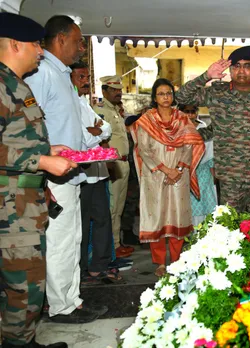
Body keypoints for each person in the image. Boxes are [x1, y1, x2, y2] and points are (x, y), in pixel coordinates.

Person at [0, 12, 77, 348]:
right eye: (34, 44)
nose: (41, 51)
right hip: (9, 212)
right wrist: (42, 160)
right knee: (23, 287)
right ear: (15, 44)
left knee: (26, 287)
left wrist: (48, 148)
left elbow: (15, 137)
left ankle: (23, 340)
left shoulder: (17, 85)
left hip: (25, 209)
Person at [24, 15, 104, 324]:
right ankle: (61, 306)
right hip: (52, 173)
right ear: (60, 39)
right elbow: (30, 123)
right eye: (78, 41)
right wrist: (43, 170)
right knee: (60, 242)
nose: (82, 47)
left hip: (70, 171)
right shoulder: (43, 72)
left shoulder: (62, 75)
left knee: (72, 239)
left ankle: (72, 299)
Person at [176, 46, 250, 212]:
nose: (242, 71)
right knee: (231, 224)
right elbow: (182, 96)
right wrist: (206, 76)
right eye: (237, 66)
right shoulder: (218, 92)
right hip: (230, 175)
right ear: (231, 70)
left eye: (247, 66)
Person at [129, 79, 204, 277]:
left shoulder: (182, 119)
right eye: (161, 94)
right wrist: (164, 169)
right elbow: (143, 149)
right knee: (157, 218)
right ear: (155, 97)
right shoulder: (147, 120)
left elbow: (190, 144)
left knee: (177, 217)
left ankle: (177, 261)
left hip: (180, 174)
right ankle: (160, 263)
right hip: (155, 175)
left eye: (169, 93)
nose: (166, 97)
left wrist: (178, 168)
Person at [69, 62, 123, 284]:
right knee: (81, 224)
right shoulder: (68, 103)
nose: (85, 81)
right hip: (81, 176)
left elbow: (106, 128)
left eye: (87, 77)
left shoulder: (85, 103)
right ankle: (80, 269)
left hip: (99, 173)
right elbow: (82, 138)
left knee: (102, 220)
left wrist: (98, 131)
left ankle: (98, 266)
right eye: (80, 77)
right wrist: (98, 133)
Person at [94, 76, 134, 259]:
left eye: (119, 90)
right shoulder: (101, 110)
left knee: (118, 207)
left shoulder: (116, 111)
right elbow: (99, 138)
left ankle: (116, 244)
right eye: (113, 90)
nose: (118, 93)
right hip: (112, 164)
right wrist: (106, 162)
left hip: (123, 163)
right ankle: (108, 249)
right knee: (111, 207)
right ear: (104, 91)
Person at [179, 104, 218, 226]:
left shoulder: (204, 128)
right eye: (186, 111)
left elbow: (211, 155)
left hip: (203, 173)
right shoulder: (177, 129)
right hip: (183, 172)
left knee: (206, 207)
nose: (190, 115)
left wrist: (214, 178)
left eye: (192, 111)